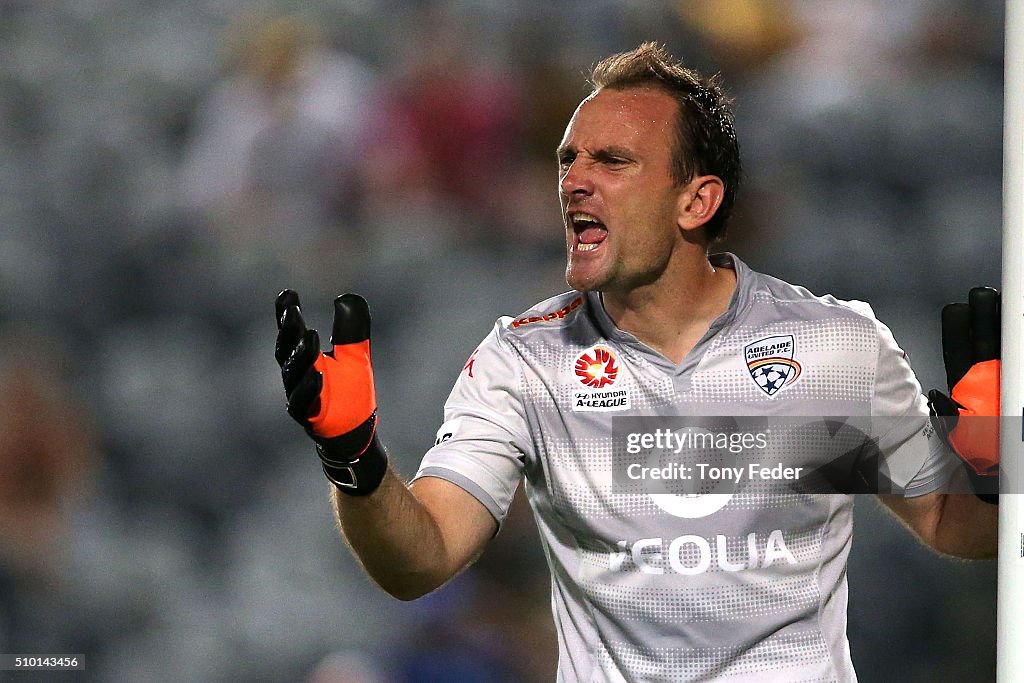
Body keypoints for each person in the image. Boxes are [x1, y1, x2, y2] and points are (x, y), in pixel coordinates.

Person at [274, 43, 999, 682]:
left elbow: (956, 526)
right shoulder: (525, 361)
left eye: (612, 161)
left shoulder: (836, 345)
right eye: (568, 160)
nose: (573, 181)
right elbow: (420, 559)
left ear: (696, 200)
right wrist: (357, 461)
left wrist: (997, 463)